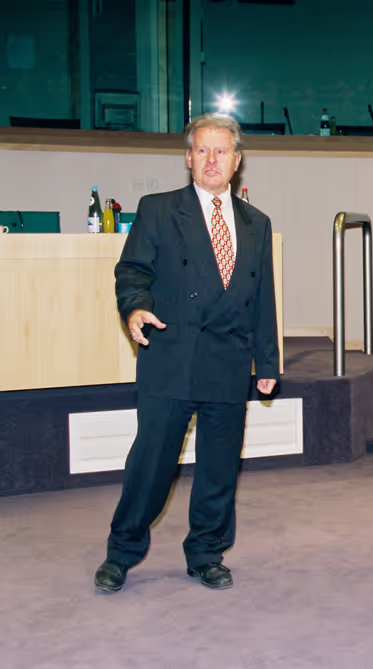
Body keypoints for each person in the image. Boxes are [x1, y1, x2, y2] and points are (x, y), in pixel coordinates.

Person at [94, 113, 279, 592]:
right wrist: (135, 308)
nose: (211, 159)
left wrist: (268, 361)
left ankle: (206, 552)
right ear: (188, 158)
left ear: (237, 161)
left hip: (229, 361)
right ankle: (121, 551)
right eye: (202, 150)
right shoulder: (158, 210)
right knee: (152, 466)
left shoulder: (257, 223)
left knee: (219, 469)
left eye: (221, 151)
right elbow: (132, 272)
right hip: (171, 356)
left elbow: (263, 299)